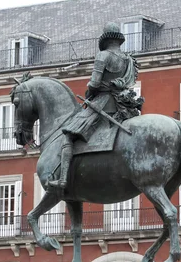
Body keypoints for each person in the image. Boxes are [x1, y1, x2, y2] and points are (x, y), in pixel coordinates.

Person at [47, 22, 139, 189]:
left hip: (103, 103)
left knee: (68, 135)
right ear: (119, 40)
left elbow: (95, 83)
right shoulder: (128, 60)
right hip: (124, 106)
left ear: (104, 40)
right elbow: (128, 83)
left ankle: (63, 180)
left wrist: (89, 93)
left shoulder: (103, 56)